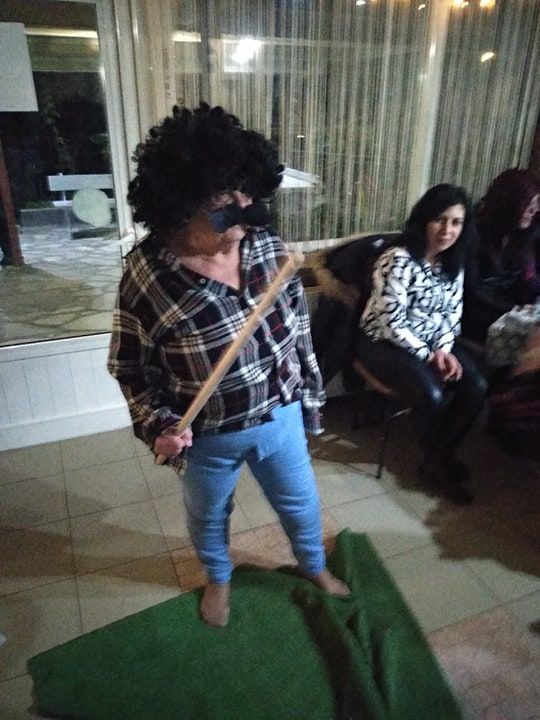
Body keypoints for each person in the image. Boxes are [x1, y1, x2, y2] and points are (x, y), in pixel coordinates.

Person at [107, 103, 349, 628]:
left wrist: (309, 401)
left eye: (249, 202)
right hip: (209, 438)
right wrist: (158, 426)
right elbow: (130, 369)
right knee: (209, 516)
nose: (243, 222)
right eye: (222, 211)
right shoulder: (147, 279)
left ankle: (313, 566)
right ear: (177, 208)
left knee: (301, 503)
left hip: (280, 418)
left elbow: (298, 336)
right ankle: (218, 578)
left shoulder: (267, 247)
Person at [355, 184, 488, 504]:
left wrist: (443, 348)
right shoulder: (397, 259)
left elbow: (452, 314)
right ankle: (438, 463)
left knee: (478, 385)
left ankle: (437, 458)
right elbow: (391, 323)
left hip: (431, 342)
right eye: (440, 219)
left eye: (456, 222)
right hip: (382, 341)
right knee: (432, 394)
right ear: (424, 219)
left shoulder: (452, 260)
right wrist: (430, 355)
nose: (447, 230)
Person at [462, 168, 540, 344]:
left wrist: (525, 306)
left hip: (512, 310)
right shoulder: (473, 233)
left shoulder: (524, 234)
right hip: (479, 314)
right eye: (529, 205)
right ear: (510, 203)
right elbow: (472, 291)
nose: (533, 211)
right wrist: (514, 309)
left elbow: (525, 281)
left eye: (536, 205)